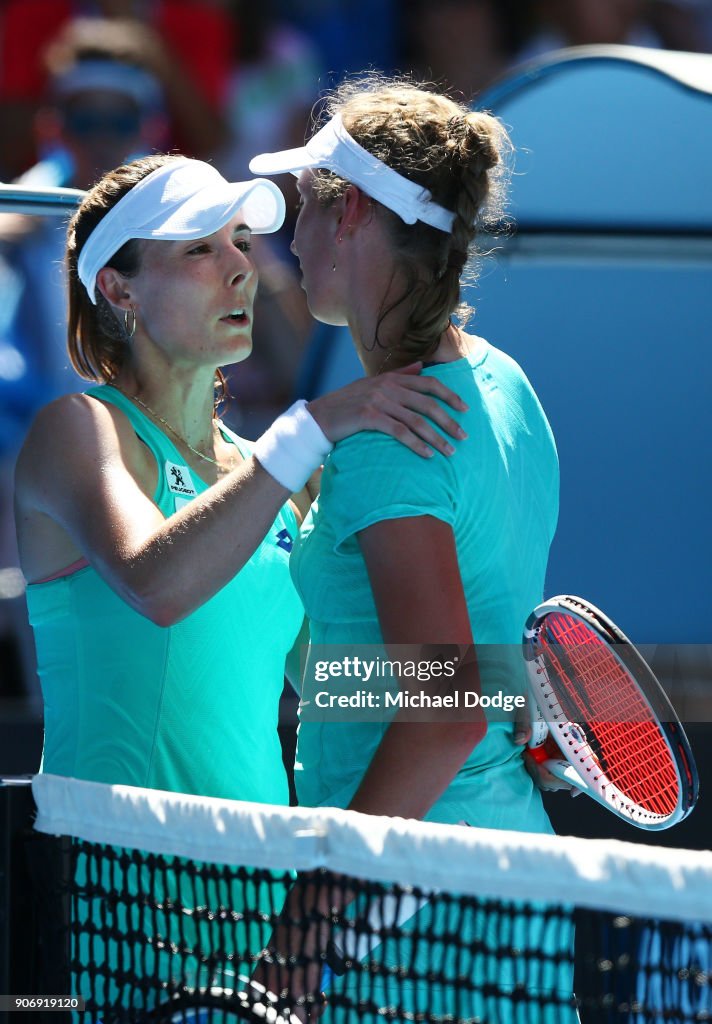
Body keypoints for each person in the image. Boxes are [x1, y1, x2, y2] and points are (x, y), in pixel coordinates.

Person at [249, 76, 575, 1019]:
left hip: (410, 929)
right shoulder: (503, 382)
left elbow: (443, 714)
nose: (289, 241)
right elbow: (467, 677)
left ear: (348, 213)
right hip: (513, 887)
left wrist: (309, 926)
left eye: (305, 209)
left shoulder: (390, 452)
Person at [13, 151, 469, 810]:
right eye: (201, 249)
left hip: (261, 897)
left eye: (243, 244)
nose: (240, 269)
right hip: (114, 889)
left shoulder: (272, 476)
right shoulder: (75, 430)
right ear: (119, 288)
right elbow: (157, 583)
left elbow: (338, 684)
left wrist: (499, 692)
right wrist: (310, 428)